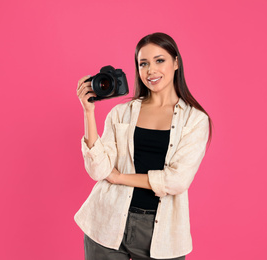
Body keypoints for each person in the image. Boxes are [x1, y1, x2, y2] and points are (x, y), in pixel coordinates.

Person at [75, 32, 213, 260]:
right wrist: (88, 113)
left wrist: (120, 178)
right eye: (143, 63)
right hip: (106, 222)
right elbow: (98, 170)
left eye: (160, 60)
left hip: (162, 232)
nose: (151, 70)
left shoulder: (195, 120)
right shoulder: (121, 113)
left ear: (176, 62)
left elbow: (177, 180)